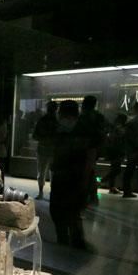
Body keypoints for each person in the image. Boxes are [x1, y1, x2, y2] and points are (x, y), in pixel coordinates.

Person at [50, 100, 88, 248]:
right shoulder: (67, 131)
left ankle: (69, 241)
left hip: (70, 177)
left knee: (67, 211)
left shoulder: (77, 133)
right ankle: (68, 240)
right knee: (68, 211)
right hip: (68, 177)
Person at [74, 95, 107, 206]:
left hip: (82, 148)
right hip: (93, 148)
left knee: (84, 173)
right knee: (90, 172)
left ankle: (84, 197)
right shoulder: (99, 116)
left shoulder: (82, 117)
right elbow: (103, 132)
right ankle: (92, 195)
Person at [32, 101, 58, 200]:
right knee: (51, 173)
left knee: (42, 172)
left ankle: (41, 192)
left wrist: (43, 139)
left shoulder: (42, 120)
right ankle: (50, 192)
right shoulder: (57, 122)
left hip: (43, 149)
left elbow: (35, 135)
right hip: (50, 150)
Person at [103, 113, 128, 194]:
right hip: (118, 151)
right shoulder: (119, 129)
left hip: (113, 151)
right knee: (116, 170)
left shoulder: (113, 128)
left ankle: (111, 187)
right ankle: (102, 181)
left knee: (114, 169)